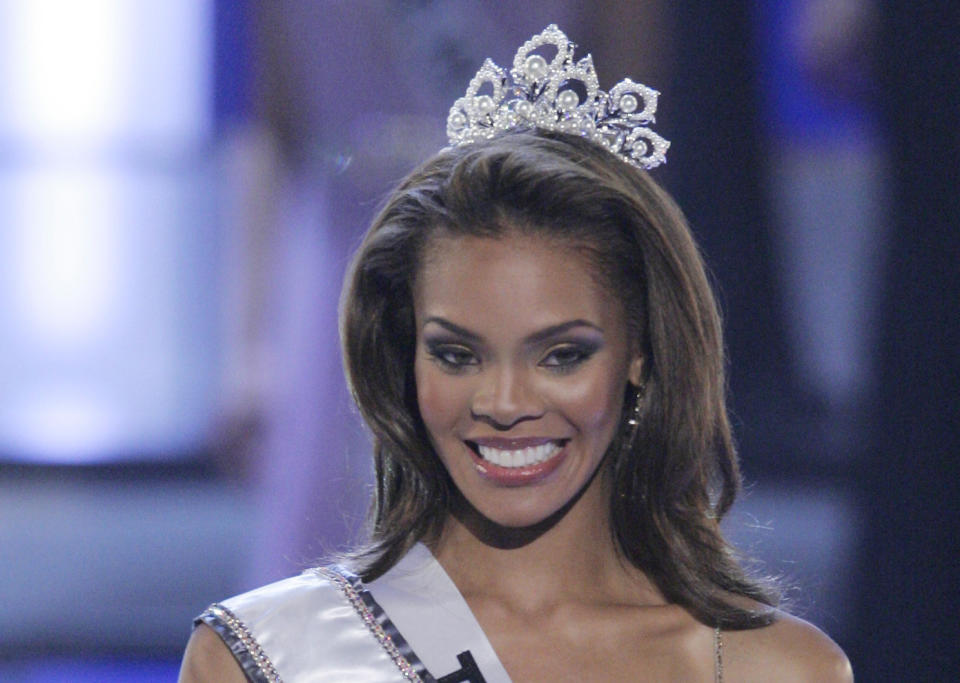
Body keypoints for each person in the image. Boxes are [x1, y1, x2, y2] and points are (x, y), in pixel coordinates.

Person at [179, 25, 852, 682]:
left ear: (640, 354)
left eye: (561, 355)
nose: (504, 403)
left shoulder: (773, 668)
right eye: (456, 354)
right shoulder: (263, 657)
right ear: (403, 360)